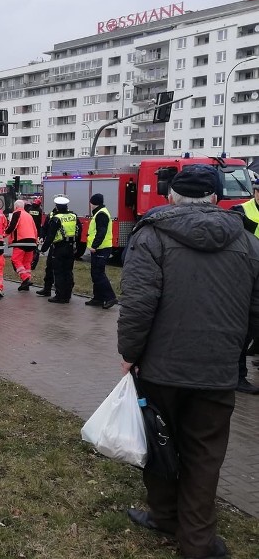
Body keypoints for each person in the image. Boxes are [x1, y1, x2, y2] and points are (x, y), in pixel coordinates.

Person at [118, 165, 259, 559]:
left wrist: (130, 353)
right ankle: (197, 542)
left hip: (161, 367)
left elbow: (138, 303)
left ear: (172, 197)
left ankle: (164, 515)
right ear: (216, 197)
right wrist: (236, 348)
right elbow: (256, 310)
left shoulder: (151, 235)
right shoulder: (248, 242)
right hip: (218, 370)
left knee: (160, 440)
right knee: (205, 452)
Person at [229, 178, 259, 394]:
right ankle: (238, 376)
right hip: (246, 278)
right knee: (244, 330)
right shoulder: (240, 211)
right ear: (256, 192)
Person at [38, 195, 80, 304]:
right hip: (70, 247)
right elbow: (79, 230)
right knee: (68, 271)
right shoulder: (73, 216)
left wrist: (42, 249)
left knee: (59, 272)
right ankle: (67, 295)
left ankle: (60, 296)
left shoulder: (56, 218)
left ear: (57, 207)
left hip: (59, 248)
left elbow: (51, 236)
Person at [85, 193, 119, 309]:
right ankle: (98, 298)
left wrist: (95, 245)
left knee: (99, 273)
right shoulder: (100, 212)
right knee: (95, 273)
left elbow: (101, 232)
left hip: (101, 248)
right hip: (100, 248)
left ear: (93, 203)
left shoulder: (101, 214)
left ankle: (110, 298)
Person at [5, 199, 38, 291]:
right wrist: (35, 241)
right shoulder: (29, 215)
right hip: (31, 242)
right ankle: (25, 283)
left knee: (16, 260)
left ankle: (25, 278)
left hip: (20, 241)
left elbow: (12, 226)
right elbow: (35, 229)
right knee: (26, 262)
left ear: (15, 207)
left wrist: (3, 234)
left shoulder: (17, 213)